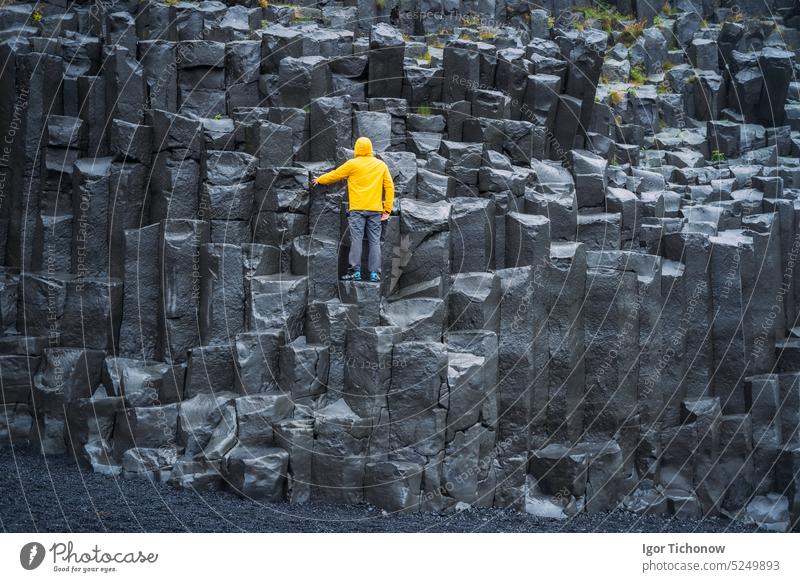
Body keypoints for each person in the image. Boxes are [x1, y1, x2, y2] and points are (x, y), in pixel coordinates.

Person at [312, 136, 395, 283]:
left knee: (357, 239)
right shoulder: (380, 165)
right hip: (375, 210)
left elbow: (335, 175)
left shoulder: (352, 164)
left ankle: (355, 272)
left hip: (357, 209)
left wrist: (319, 179)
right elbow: (389, 187)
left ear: (357, 149)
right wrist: (387, 209)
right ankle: (374, 274)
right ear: (370, 149)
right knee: (374, 241)